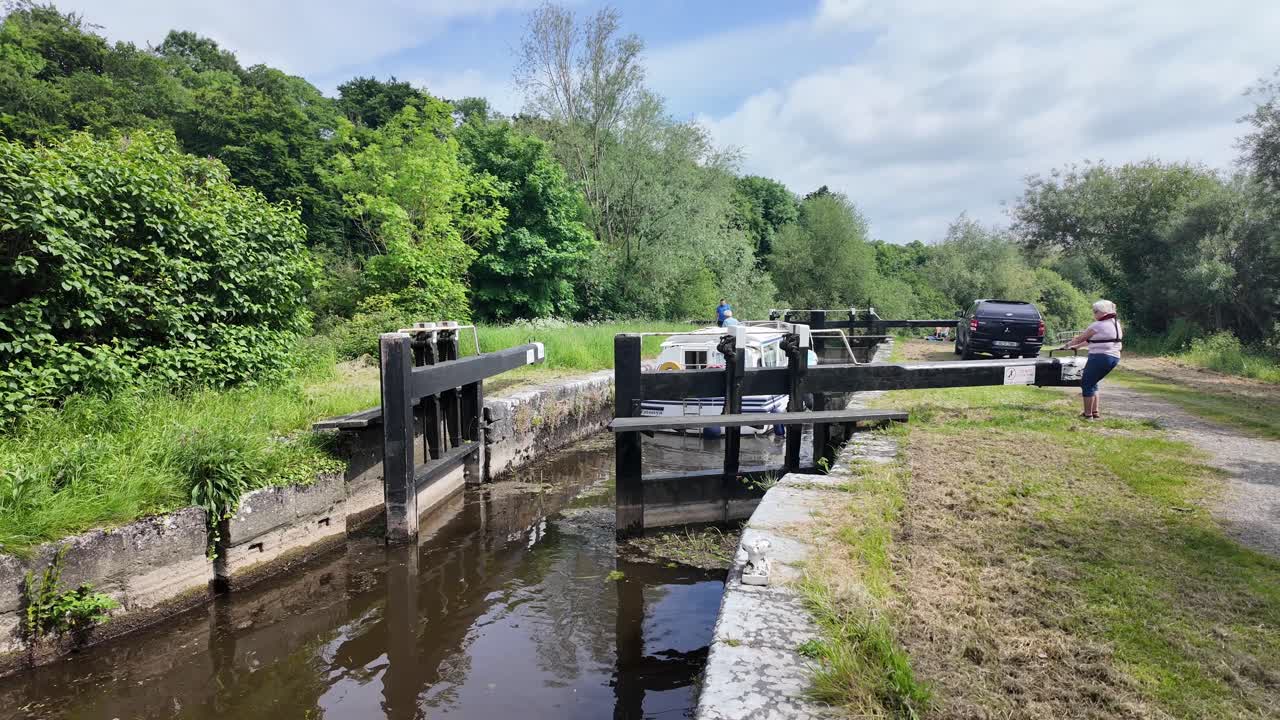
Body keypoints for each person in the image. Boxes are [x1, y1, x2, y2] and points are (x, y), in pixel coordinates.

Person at [1061, 300, 1123, 419]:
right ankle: (1095, 412)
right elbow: (1097, 340)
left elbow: (1081, 338)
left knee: (1086, 384)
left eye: (1095, 312)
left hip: (1100, 357)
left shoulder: (1098, 325)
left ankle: (1087, 415)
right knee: (1093, 383)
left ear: (1103, 312)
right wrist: (1078, 347)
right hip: (1114, 357)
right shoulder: (1115, 323)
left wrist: (1067, 345)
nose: (1094, 314)